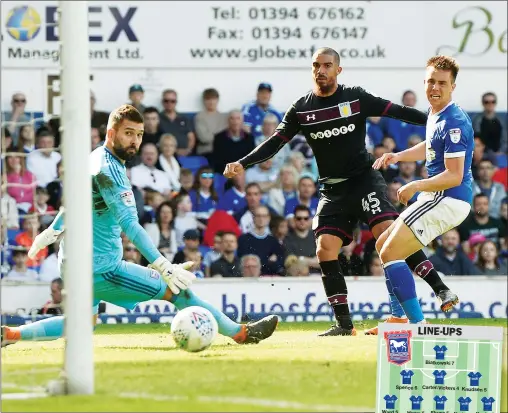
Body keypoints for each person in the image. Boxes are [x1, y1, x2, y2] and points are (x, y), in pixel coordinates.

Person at [224, 47, 458, 336]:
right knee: (325, 250)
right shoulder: (301, 108)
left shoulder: (356, 98)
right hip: (332, 190)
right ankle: (344, 324)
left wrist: (439, 120)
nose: (320, 70)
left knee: (388, 236)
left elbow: (398, 112)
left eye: (326, 65)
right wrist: (242, 163)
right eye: (315, 66)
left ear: (338, 70)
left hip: (363, 180)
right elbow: (275, 142)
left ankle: (440, 289)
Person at [1, 105, 277, 348]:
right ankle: (241, 333)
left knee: (82, 323)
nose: (135, 141)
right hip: (102, 269)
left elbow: (74, 199)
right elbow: (130, 226)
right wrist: (163, 266)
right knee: (178, 292)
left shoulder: (95, 156)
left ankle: (9, 334)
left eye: (140, 134)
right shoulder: (111, 172)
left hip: (73, 261)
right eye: (128, 133)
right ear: (111, 133)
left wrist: (52, 232)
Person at [373, 55, 474, 327]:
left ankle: (417, 326)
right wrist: (398, 156)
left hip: (449, 199)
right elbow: (430, 145)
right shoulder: (435, 113)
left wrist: (416, 185)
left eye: (442, 83)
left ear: (453, 86)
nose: (434, 88)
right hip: (439, 197)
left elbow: (454, 175)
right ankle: (397, 317)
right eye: (431, 81)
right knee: (383, 245)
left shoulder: (454, 122)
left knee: (391, 253)